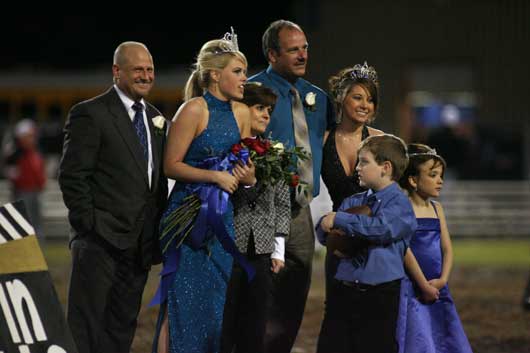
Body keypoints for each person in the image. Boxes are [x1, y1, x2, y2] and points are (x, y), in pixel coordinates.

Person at [58, 41, 168, 353]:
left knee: (121, 329)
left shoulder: (156, 118)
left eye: (150, 70)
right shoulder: (90, 113)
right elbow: (72, 176)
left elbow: (154, 183)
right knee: (87, 330)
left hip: (139, 248)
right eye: (138, 70)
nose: (146, 76)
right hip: (99, 243)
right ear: (116, 72)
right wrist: (90, 227)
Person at [151, 31, 252, 353]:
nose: (243, 79)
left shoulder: (243, 113)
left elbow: (245, 168)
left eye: (244, 72)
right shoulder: (193, 110)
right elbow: (171, 165)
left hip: (224, 222)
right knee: (181, 307)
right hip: (187, 221)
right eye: (237, 72)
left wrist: (249, 176)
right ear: (214, 74)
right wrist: (215, 176)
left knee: (217, 307)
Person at [248, 19, 335, 352]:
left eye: (305, 48)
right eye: (293, 49)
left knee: (294, 297)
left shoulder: (318, 97)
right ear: (272, 54)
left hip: (300, 212)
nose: (302, 55)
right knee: (259, 293)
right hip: (260, 207)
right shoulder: (250, 91)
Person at [316, 134, 416, 353]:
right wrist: (326, 229)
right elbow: (326, 234)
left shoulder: (401, 204)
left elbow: (382, 228)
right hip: (344, 290)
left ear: (385, 167)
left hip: (380, 294)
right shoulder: (354, 201)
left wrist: (340, 220)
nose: (357, 168)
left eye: (364, 161)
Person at [318, 62, 384, 351]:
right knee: (336, 315)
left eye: (370, 99)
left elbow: (395, 197)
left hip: (375, 242)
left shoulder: (382, 142)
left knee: (373, 320)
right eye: (358, 97)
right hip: (338, 243)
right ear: (341, 99)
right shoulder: (321, 140)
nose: (365, 105)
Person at [221, 82, 290, 353]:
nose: (265, 115)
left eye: (269, 110)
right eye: (259, 107)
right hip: (230, 250)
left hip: (261, 253)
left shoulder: (275, 152)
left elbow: (282, 203)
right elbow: (227, 201)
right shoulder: (226, 150)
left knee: (255, 326)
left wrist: (279, 250)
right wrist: (248, 185)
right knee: (227, 323)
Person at [396, 143, 473, 353]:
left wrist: (442, 280)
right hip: (413, 287)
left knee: (445, 337)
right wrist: (423, 285)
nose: (440, 181)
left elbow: (447, 248)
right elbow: (405, 250)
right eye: (433, 175)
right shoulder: (403, 209)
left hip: (437, 286)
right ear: (413, 180)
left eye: (441, 175)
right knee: (419, 338)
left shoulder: (437, 209)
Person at [4, 118, 47, 236]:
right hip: (22, 192)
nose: (32, 139)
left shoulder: (35, 152)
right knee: (22, 226)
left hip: (35, 192)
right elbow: (13, 176)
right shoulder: (14, 154)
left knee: (36, 224)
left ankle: (38, 250)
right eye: (29, 136)